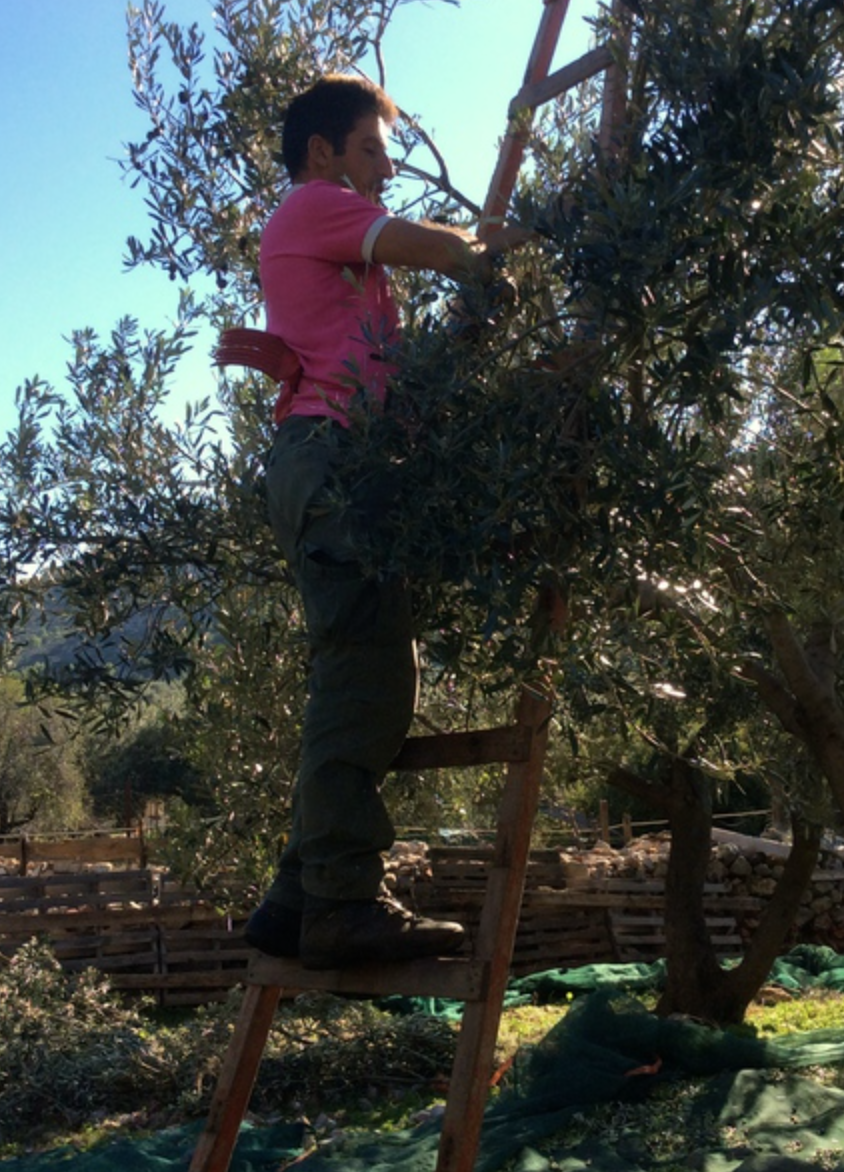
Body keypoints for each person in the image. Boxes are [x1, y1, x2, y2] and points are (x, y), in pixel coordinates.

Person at [242, 75, 528, 969]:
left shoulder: (347, 263)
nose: (381, 173)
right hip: (328, 460)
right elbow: (435, 249)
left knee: (357, 674)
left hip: (333, 461)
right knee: (367, 680)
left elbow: (391, 376)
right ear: (324, 153)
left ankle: (296, 900)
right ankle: (340, 904)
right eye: (371, 150)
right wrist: (491, 249)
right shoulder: (312, 206)